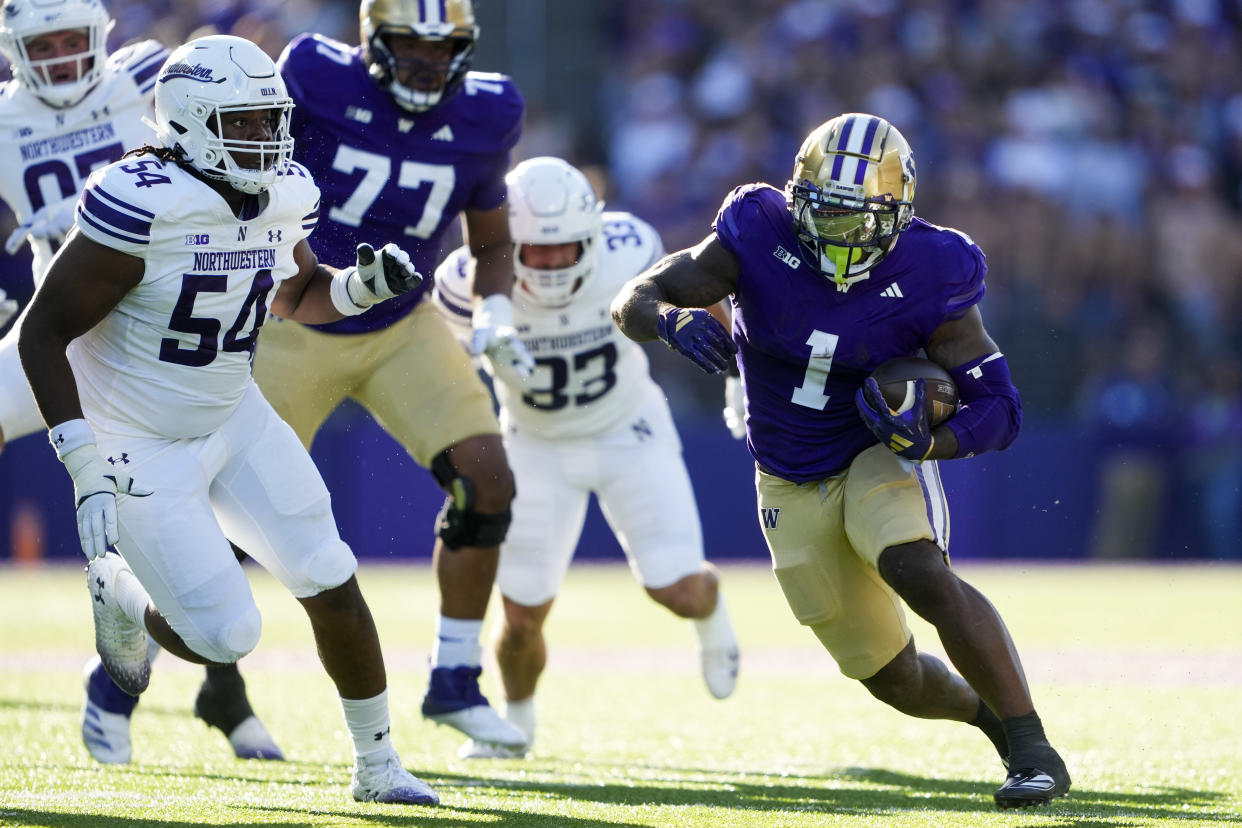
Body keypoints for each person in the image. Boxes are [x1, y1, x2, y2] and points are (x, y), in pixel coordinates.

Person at [18, 34, 437, 806]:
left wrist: (359, 291)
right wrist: (84, 459)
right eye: (242, 122)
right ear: (188, 121)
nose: (265, 137)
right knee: (226, 635)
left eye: (269, 119)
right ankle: (134, 611)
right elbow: (45, 332)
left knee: (329, 571)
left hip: (231, 414)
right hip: (140, 441)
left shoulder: (280, 193)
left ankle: (378, 767)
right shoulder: (142, 199)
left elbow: (300, 292)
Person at [611, 113, 1072, 810]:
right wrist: (671, 321)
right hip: (787, 477)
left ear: (898, 214)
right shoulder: (755, 229)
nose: (835, 231)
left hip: (872, 450)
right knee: (892, 678)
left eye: (857, 217)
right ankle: (989, 721)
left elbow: (1000, 407)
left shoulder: (934, 267)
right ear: (797, 199)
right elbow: (633, 297)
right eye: (822, 209)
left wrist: (931, 443)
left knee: (915, 567)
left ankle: (1033, 746)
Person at [0, 0, 281, 766]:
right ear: (16, 49)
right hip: (59, 334)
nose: (60, 55)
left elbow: (246, 91)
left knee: (214, 499)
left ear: (99, 37)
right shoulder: (4, 123)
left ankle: (206, 685)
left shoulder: (153, 79)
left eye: (71, 39)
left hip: (166, 333)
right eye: (43, 43)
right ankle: (196, 682)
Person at [246, 0, 530, 751]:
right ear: (372, 39)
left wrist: (496, 312)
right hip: (295, 318)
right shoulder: (310, 75)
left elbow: (492, 236)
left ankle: (455, 679)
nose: (428, 62)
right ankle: (140, 674)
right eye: (410, 44)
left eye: (446, 48)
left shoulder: (489, 111)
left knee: (487, 482)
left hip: (404, 319)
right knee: (227, 512)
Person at [432, 157, 740, 758]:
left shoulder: (630, 249)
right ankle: (515, 726)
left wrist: (736, 374)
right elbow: (432, 359)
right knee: (520, 614)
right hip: (533, 444)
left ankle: (713, 613)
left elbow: (698, 288)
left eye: (563, 247)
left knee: (677, 589)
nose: (547, 263)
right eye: (533, 250)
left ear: (594, 234)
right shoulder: (465, 278)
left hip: (629, 430)